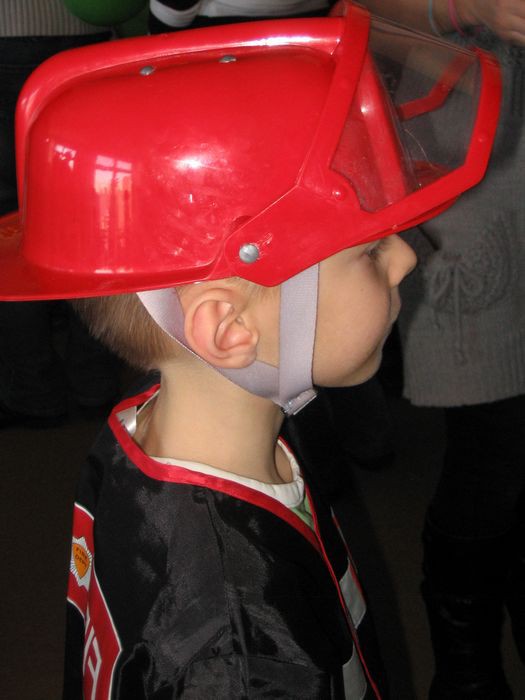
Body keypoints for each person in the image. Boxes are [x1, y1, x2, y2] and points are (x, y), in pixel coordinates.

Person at [0, 2, 500, 696]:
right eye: (367, 250)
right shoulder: (238, 656)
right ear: (230, 329)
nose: (407, 259)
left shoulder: (139, 434)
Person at [361, 0, 525, 697]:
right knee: (497, 451)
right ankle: (464, 669)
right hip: (479, 177)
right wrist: (469, 6)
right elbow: (359, 10)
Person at [0, 0, 120, 427]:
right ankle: (95, 383)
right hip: (91, 29)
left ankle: (33, 392)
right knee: (91, 214)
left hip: (8, 31)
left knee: (11, 221)